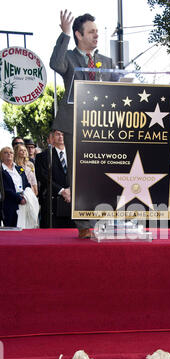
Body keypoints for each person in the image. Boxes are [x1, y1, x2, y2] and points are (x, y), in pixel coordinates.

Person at [50, 10, 114, 238]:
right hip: (75, 124)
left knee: (102, 173)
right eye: (91, 31)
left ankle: (105, 219)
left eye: (97, 31)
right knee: (78, 175)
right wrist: (64, 35)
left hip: (103, 125)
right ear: (79, 34)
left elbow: (118, 90)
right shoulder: (68, 57)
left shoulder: (106, 62)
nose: (97, 35)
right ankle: (85, 226)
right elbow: (55, 64)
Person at [35, 129, 75, 229]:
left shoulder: (76, 154)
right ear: (52, 138)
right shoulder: (42, 156)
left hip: (73, 204)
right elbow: (42, 176)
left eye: (63, 134)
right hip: (52, 205)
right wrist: (61, 191)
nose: (61, 137)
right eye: (58, 134)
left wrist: (72, 190)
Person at [0, 146, 30, 227]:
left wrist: (27, 196)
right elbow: (5, 189)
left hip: (24, 201)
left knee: (24, 228)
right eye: (6, 152)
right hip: (10, 204)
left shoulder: (20, 169)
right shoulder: (1, 171)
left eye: (11, 152)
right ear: (1, 156)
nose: (9, 154)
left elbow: (27, 184)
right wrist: (19, 199)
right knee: (11, 229)